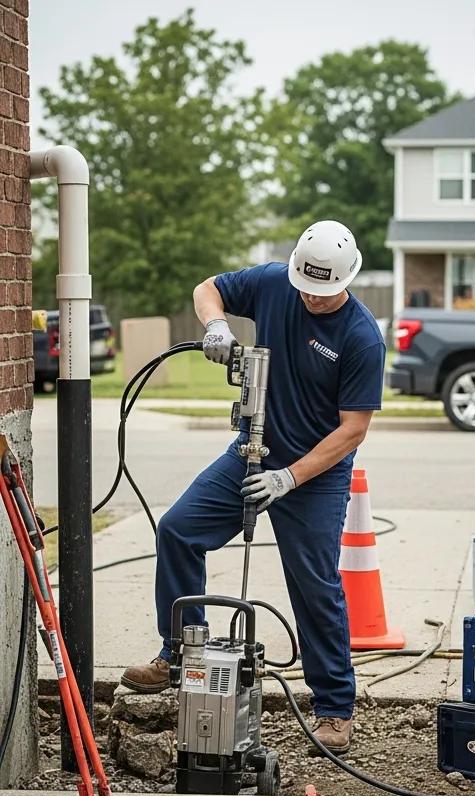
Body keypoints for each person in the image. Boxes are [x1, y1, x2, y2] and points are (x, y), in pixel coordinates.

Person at [120, 221, 386, 755]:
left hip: (312, 475)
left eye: (323, 289)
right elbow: (208, 289)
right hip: (252, 448)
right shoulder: (273, 283)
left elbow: (353, 428)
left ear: (346, 280)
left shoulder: (361, 336)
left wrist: (290, 478)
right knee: (178, 530)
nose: (310, 296)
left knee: (312, 582)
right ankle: (178, 653)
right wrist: (217, 325)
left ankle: (334, 707)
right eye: (305, 286)